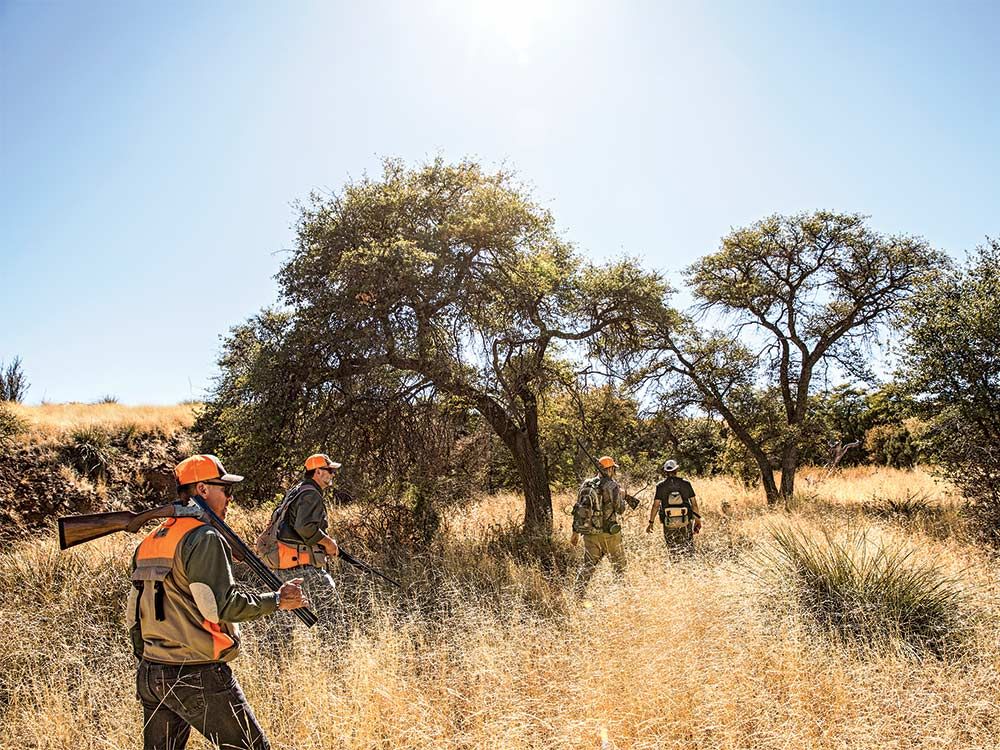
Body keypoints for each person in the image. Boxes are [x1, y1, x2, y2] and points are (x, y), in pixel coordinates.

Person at [129, 454, 307, 750]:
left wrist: (147, 660)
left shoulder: (149, 541)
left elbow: (133, 615)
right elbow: (220, 608)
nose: (230, 498)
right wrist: (278, 600)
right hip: (196, 673)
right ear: (202, 489)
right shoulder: (203, 537)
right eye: (226, 489)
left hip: (152, 672)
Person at [257, 453, 342, 632]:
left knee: (283, 622)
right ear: (318, 472)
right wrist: (329, 543)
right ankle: (336, 649)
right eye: (330, 470)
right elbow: (305, 528)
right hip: (303, 566)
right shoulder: (311, 494)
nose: (333, 474)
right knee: (332, 615)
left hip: (284, 566)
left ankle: (279, 651)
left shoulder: (297, 490)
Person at [571, 455, 628, 596]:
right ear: (611, 469)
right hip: (610, 534)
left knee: (588, 567)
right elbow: (620, 509)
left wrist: (575, 532)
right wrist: (622, 495)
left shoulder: (586, 484)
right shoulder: (612, 486)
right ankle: (621, 596)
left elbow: (578, 509)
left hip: (590, 533)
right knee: (619, 567)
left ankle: (577, 595)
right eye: (613, 469)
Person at [646, 459, 702, 556]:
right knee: (688, 547)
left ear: (665, 471)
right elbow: (694, 504)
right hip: (685, 521)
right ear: (677, 470)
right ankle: (689, 563)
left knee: (672, 549)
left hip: (668, 522)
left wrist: (651, 522)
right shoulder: (686, 484)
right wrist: (697, 520)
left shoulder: (660, 486)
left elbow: (655, 506)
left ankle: (675, 563)